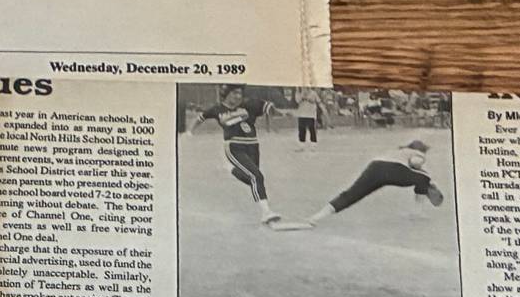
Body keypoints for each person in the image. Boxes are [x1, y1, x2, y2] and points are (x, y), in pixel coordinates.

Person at [277, 137, 446, 229]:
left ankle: (315, 218)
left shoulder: (398, 150)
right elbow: (416, 162)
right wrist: (425, 176)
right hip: (394, 169)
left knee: (351, 194)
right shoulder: (417, 153)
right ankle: (418, 211)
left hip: (374, 166)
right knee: (424, 177)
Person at [187, 86, 287, 224]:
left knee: (252, 180)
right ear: (226, 94)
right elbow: (200, 118)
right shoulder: (217, 109)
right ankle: (266, 212)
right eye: (234, 93)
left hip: (253, 146)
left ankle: (230, 169)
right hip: (234, 146)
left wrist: (278, 112)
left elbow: (268, 107)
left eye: (240, 93)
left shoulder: (249, 105)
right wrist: (190, 132)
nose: (238, 96)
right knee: (257, 176)